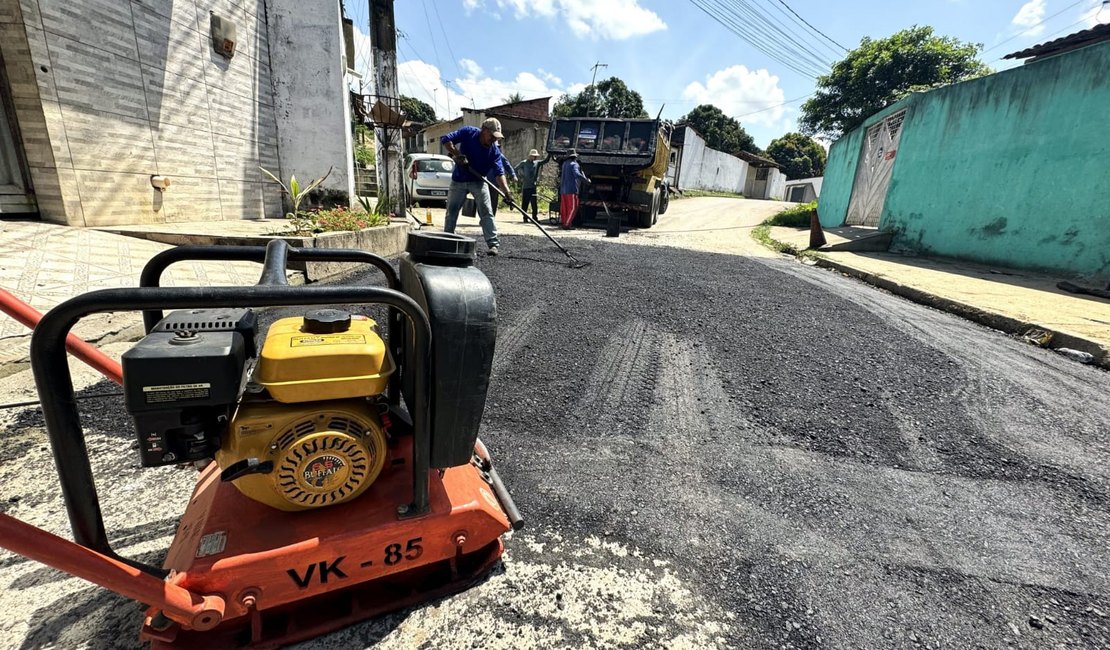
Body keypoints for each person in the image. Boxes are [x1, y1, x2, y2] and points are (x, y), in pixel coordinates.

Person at [440, 118, 514, 255]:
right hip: (459, 179)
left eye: (496, 137)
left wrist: (507, 192)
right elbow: (446, 140)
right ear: (484, 130)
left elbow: (499, 173)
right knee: (452, 210)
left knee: (486, 210)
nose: (493, 140)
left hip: (479, 181)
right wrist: (458, 155)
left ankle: (493, 244)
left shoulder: (494, 151)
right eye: (492, 136)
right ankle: (447, 240)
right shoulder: (468, 132)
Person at [559, 149, 590, 229]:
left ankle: (564, 223)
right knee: (573, 207)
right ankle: (567, 224)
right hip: (572, 190)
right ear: (574, 157)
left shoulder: (564, 164)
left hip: (563, 190)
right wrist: (586, 181)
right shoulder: (574, 164)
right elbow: (577, 175)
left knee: (564, 207)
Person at [488, 145, 516, 215]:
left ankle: (492, 216)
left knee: (493, 200)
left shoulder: (500, 156)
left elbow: (507, 166)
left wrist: (513, 175)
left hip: (495, 182)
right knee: (484, 200)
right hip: (485, 181)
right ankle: (485, 217)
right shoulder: (486, 154)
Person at [516, 149, 541, 222]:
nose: (535, 158)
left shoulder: (536, 163)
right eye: (534, 156)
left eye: (536, 156)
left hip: (533, 186)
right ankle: (525, 217)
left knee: (534, 203)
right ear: (530, 156)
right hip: (526, 187)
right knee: (525, 203)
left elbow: (544, 161)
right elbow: (515, 169)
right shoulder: (524, 163)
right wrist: (520, 177)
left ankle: (534, 217)